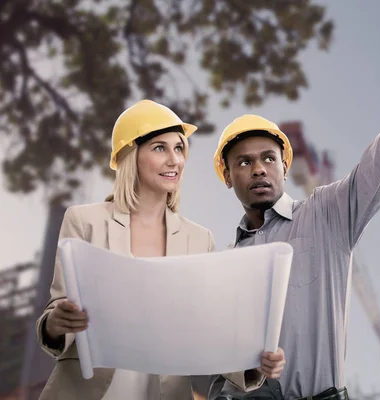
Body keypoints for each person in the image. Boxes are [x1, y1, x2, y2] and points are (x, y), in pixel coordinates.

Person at [209, 29, 380, 400]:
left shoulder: (326, 215)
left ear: (283, 166)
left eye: (268, 158)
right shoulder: (223, 264)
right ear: (228, 177)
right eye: (244, 162)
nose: (259, 169)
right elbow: (213, 365)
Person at [35, 99, 286, 400]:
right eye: (160, 148)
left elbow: (207, 330)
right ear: (131, 155)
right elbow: (56, 312)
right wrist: (54, 325)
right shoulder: (84, 221)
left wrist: (252, 362)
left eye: (179, 148)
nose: (174, 160)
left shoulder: (199, 239)